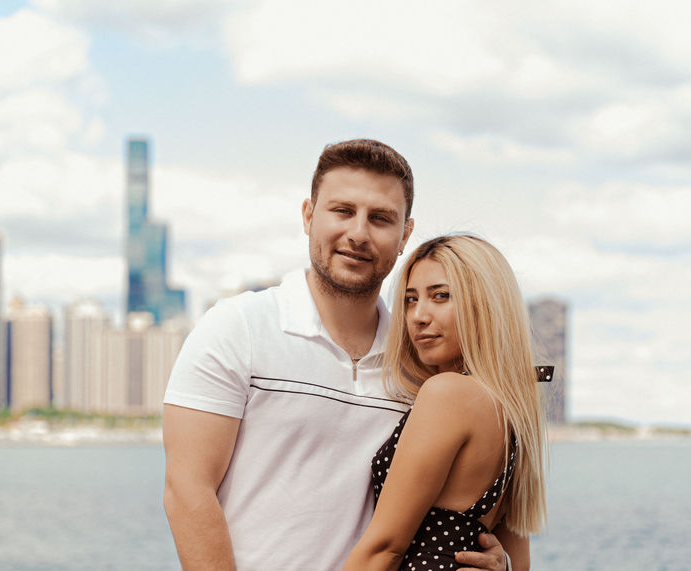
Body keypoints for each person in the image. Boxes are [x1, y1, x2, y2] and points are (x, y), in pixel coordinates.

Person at [162, 139, 515, 570]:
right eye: (343, 211)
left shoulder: (422, 362)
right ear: (309, 216)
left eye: (380, 218)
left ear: (405, 235)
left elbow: (471, 504)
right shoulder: (238, 327)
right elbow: (187, 491)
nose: (359, 234)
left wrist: (502, 564)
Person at [343, 234, 547, 571]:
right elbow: (519, 563)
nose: (418, 316)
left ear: (485, 304)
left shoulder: (447, 393)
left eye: (441, 296)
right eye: (410, 300)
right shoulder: (512, 409)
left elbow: (384, 548)